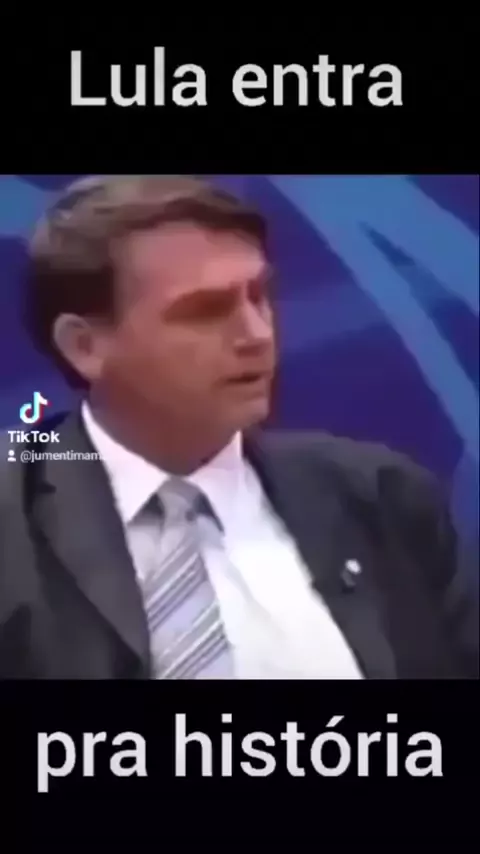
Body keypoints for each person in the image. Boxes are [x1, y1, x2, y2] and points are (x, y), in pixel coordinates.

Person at [0, 175, 478, 679]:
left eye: (259, 296)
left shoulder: (381, 497)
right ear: (84, 346)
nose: (257, 333)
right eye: (206, 311)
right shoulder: (13, 519)